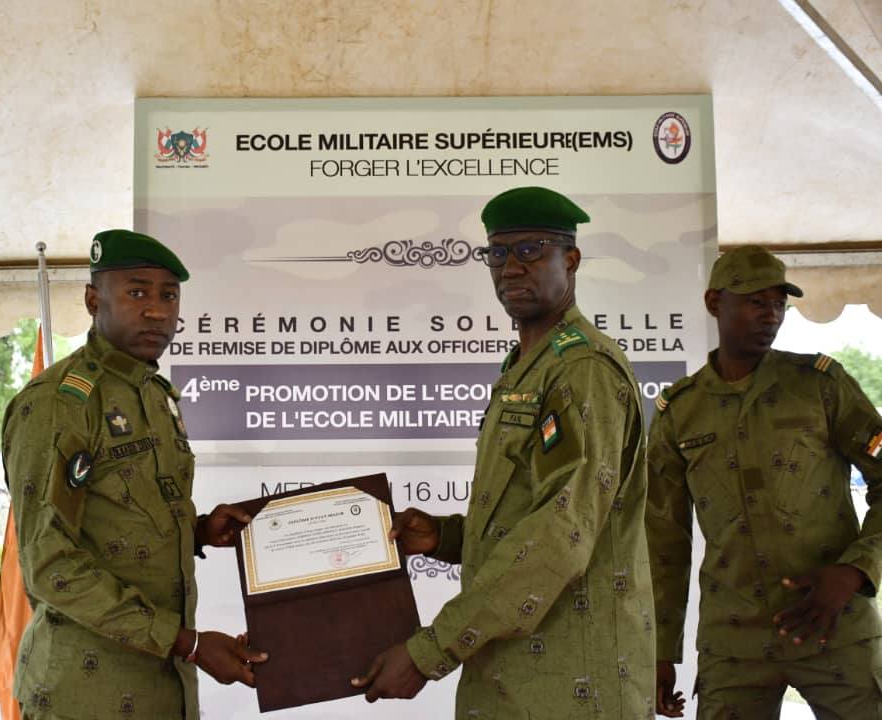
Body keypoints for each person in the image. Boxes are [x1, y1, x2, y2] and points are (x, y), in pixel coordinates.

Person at [353, 187, 656, 717]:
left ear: (573, 259)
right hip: (512, 679)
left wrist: (430, 651)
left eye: (531, 249)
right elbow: (526, 511)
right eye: (497, 253)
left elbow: (561, 532)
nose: (510, 267)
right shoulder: (526, 366)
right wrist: (448, 537)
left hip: (571, 685)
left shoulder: (581, 369)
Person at [2, 229, 266, 720]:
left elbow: (124, 518)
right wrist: (185, 642)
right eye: (137, 292)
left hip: (163, 689)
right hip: (86, 695)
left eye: (169, 295)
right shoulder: (60, 404)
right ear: (91, 299)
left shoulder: (155, 396)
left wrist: (199, 530)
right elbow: (50, 565)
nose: (157, 310)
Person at [646, 245, 882, 719]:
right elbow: (663, 539)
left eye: (779, 303)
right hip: (735, 642)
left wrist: (857, 569)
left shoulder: (820, 384)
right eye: (756, 301)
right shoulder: (681, 412)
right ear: (716, 302)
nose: (770, 314)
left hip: (834, 625)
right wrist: (659, 648)